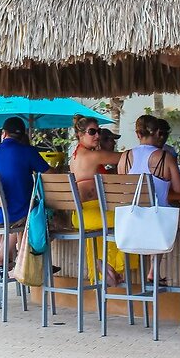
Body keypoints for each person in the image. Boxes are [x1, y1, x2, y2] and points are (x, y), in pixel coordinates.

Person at [119, 115, 180, 284]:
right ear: (157, 132)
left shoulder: (124, 158)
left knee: (158, 209)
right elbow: (179, 189)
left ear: (137, 134)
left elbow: (124, 190)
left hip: (130, 224)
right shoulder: (165, 157)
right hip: (156, 226)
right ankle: (154, 268)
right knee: (167, 207)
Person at [0, 116, 51, 268]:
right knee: (42, 217)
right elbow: (52, 175)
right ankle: (30, 264)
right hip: (13, 216)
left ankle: (8, 259)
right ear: (23, 134)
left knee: (19, 213)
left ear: (3, 133)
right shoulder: (27, 152)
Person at [70, 117, 126, 286]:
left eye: (98, 131)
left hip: (80, 216)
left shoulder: (74, 156)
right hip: (94, 214)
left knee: (108, 228)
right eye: (92, 132)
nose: (97, 136)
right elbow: (125, 157)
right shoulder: (94, 156)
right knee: (130, 221)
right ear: (80, 134)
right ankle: (114, 267)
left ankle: (101, 270)